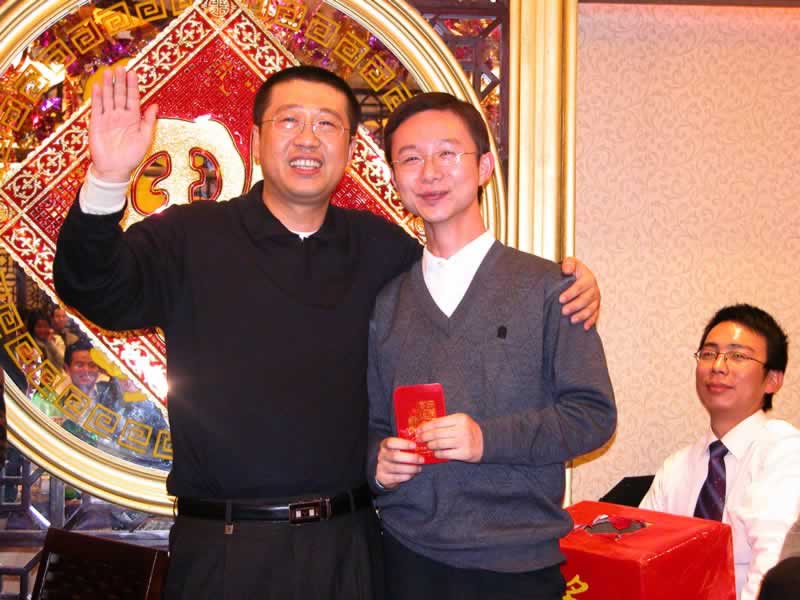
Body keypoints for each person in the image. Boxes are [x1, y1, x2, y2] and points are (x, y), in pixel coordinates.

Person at [53, 64, 602, 599]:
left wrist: (567, 283)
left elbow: (461, 280)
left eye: (326, 124)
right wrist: (108, 179)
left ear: (349, 147)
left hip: (350, 548)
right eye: (289, 120)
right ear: (256, 139)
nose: (307, 139)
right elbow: (94, 287)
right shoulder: (190, 237)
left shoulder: (382, 251)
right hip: (224, 549)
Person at [367, 92, 617, 600]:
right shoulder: (387, 301)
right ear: (394, 178)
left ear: (483, 167)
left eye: (447, 153)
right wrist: (376, 462)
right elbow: (372, 423)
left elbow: (593, 416)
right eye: (411, 158)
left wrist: (486, 439)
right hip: (405, 557)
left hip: (517, 564)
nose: (430, 172)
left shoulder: (551, 287)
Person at [640, 304, 800, 600]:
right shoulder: (676, 467)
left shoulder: (785, 451)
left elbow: (773, 566)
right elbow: (640, 557)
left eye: (738, 356)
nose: (718, 366)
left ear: (773, 379)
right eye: (708, 354)